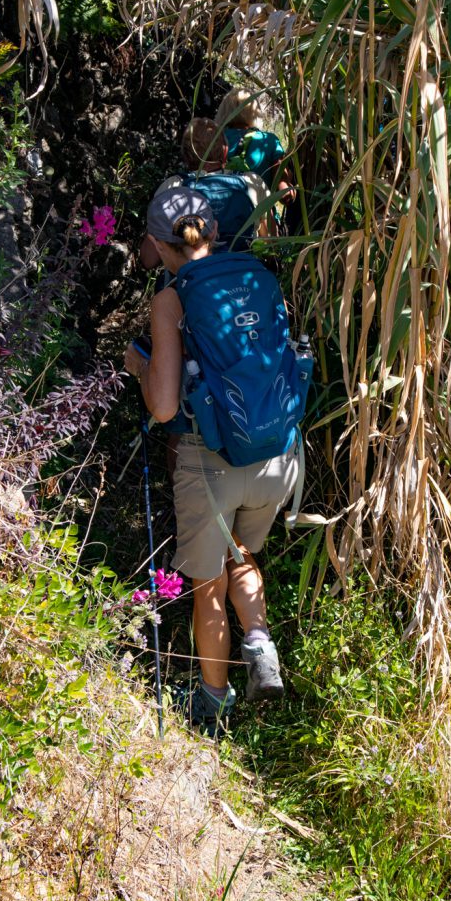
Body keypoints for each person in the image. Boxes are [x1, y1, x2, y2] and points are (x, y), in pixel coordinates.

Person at [125, 187, 300, 734]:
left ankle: (212, 701)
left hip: (212, 461)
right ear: (217, 231)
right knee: (240, 551)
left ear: (158, 243)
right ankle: (261, 644)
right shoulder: (258, 276)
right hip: (278, 453)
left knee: (208, 587)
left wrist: (137, 366)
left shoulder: (172, 300)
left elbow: (164, 404)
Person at [140, 117, 271, 271]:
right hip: (243, 280)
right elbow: (269, 245)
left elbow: (149, 260)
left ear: (186, 155)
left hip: (190, 285)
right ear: (225, 150)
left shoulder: (173, 187)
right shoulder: (252, 182)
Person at [215, 87, 296, 207]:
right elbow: (285, 195)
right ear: (255, 112)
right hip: (259, 220)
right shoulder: (268, 141)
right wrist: (290, 179)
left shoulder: (214, 140)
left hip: (218, 220)